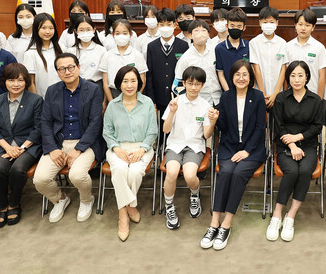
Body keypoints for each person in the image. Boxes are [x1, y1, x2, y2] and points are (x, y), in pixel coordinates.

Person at [200, 60, 266, 251]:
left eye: (245, 74)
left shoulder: (258, 97)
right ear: (232, 77)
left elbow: (260, 128)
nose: (241, 78)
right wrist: (215, 119)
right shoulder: (226, 96)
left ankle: (226, 225)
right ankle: (214, 223)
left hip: (252, 149)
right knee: (225, 172)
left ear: (250, 78)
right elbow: (223, 127)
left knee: (238, 174)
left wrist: (247, 151)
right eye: (237, 74)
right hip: (229, 147)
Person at [33, 53, 106, 223]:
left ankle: (86, 200)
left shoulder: (93, 89)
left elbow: (95, 123)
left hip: (85, 143)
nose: (67, 72)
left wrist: (78, 149)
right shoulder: (52, 91)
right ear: (57, 72)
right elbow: (46, 122)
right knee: (40, 179)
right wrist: (52, 149)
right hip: (58, 143)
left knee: (77, 175)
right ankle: (59, 199)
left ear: (78, 67)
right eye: (62, 69)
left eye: (71, 67)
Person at [266, 61, 324, 242]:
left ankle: (290, 215)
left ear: (307, 77)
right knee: (291, 171)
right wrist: (291, 145)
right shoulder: (281, 98)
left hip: (308, 144)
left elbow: (317, 127)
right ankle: (277, 215)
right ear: (288, 78)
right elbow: (279, 126)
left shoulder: (315, 100)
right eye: (292, 76)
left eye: (300, 75)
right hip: (285, 145)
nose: (297, 79)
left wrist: (298, 138)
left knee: (305, 171)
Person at [102, 66, 158, 241]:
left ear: (139, 83)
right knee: (119, 170)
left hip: (142, 147)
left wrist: (142, 149)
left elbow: (152, 131)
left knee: (134, 172)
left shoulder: (147, 103)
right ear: (119, 84)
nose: (129, 85)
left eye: (133, 81)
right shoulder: (113, 105)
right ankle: (124, 214)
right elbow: (107, 132)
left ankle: (128, 205)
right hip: (118, 147)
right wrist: (116, 148)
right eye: (125, 81)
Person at [161, 66, 218, 230]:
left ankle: (195, 194)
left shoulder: (205, 106)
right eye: (190, 83)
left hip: (195, 146)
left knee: (190, 176)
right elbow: (165, 130)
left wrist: (212, 122)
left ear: (202, 85)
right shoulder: (175, 102)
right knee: (171, 173)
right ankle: (169, 206)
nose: (193, 87)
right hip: (175, 145)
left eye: (197, 84)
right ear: (184, 83)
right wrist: (172, 112)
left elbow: (206, 135)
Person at [0, 63, 43, 228]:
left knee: (18, 169)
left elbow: (38, 129)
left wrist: (21, 148)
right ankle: (1, 206)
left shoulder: (36, 100)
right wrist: (8, 148)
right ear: (4, 81)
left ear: (26, 81)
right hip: (4, 145)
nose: (16, 84)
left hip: (28, 145)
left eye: (20, 80)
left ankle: (14, 204)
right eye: (11, 80)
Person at [144, 7, 189, 119]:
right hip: (159, 98)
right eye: (162, 24)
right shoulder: (152, 46)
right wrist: (152, 99)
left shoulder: (183, 45)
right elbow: (149, 75)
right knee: (162, 127)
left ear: (175, 24)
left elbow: (186, 72)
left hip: (179, 96)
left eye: (169, 24)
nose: (165, 28)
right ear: (157, 25)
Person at [174, 20, 222, 107]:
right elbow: (177, 85)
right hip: (197, 102)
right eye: (196, 30)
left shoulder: (215, 52)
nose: (200, 33)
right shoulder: (185, 58)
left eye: (204, 30)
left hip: (218, 99)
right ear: (190, 35)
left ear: (208, 34)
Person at [249, 6, 288, 109]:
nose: (268, 25)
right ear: (259, 23)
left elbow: (283, 69)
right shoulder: (254, 43)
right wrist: (262, 94)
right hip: (259, 92)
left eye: (271, 22)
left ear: (277, 23)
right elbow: (256, 68)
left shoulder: (282, 43)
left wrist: (276, 93)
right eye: (265, 22)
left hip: (278, 93)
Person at [100, 19, 148, 102]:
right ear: (113, 34)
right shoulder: (107, 55)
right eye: (117, 33)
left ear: (130, 34)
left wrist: (135, 99)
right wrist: (111, 101)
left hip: (134, 94)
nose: (121, 36)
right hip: (113, 94)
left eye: (125, 33)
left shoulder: (138, 55)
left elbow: (142, 81)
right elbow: (105, 82)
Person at [286, 9, 326, 100]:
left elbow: (322, 76)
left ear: (313, 27)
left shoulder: (319, 48)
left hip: (312, 95)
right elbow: (285, 73)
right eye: (300, 24)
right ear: (295, 25)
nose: (303, 28)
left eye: (307, 25)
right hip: (291, 95)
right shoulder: (288, 46)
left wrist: (319, 99)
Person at [66, 15, 106, 103]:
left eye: (88, 29)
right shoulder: (71, 51)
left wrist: (105, 100)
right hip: (75, 87)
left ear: (94, 30)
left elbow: (105, 76)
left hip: (96, 86)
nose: (85, 33)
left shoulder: (101, 50)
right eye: (81, 30)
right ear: (76, 31)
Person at [23, 13, 62, 98]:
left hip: (62, 97)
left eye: (51, 28)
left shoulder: (61, 49)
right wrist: (37, 101)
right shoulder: (30, 53)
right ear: (36, 29)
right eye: (43, 28)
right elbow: (31, 82)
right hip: (42, 99)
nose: (47, 32)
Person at [215, 7, 250, 92]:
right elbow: (220, 74)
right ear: (227, 26)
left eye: (239, 26)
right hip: (227, 92)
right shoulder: (219, 48)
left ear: (244, 28)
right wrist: (228, 93)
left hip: (246, 91)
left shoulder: (249, 46)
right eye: (232, 26)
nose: (235, 28)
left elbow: (252, 71)